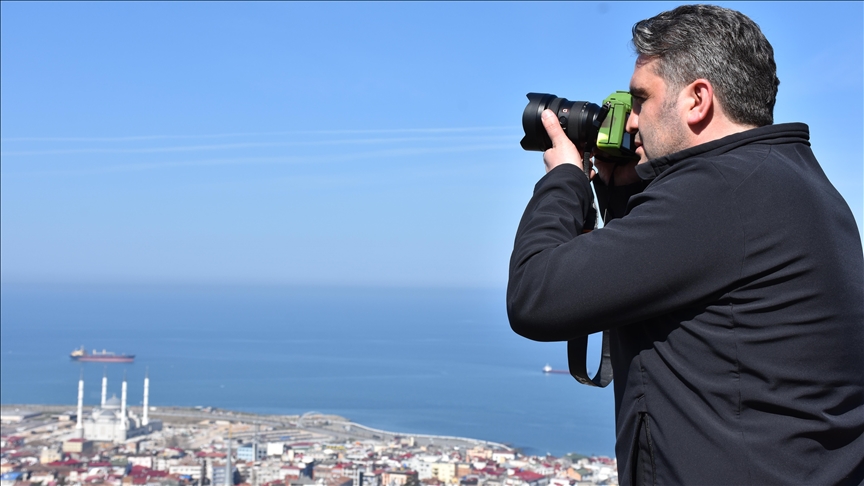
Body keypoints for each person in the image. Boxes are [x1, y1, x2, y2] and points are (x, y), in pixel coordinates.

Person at [506, 4, 863, 485]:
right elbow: (669, 285)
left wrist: (566, 181)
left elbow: (536, 295)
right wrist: (620, 194)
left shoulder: (720, 194)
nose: (630, 122)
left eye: (640, 100)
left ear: (697, 99)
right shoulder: (791, 183)